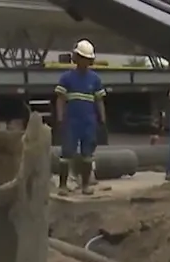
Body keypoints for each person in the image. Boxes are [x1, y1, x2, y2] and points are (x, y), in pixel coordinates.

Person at [54, 39, 107, 195]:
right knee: (67, 153)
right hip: (71, 121)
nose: (84, 62)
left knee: (87, 155)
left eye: (87, 59)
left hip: (89, 122)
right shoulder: (67, 78)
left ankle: (85, 185)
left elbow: (99, 101)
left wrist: (102, 120)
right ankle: (62, 185)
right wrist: (60, 118)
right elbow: (61, 99)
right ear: (75, 58)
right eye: (81, 58)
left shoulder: (95, 80)